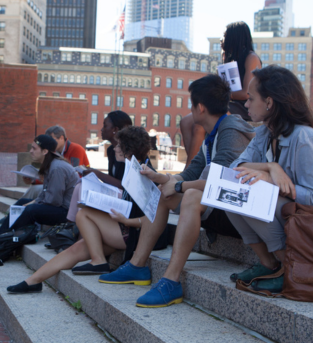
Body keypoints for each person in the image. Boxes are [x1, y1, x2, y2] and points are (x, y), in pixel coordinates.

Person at [98, 74, 255, 308]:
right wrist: (161, 178)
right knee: (164, 191)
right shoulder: (214, 133)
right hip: (219, 206)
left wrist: (179, 185)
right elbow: (192, 173)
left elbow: (220, 182)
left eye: (191, 105)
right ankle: (137, 265)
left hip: (240, 214)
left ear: (200, 107)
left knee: (189, 194)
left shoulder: (230, 131)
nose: (189, 112)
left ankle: (171, 281)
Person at [6, 126, 152, 293]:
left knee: (84, 213)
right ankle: (33, 281)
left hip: (132, 232)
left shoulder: (144, 173)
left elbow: (152, 219)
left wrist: (125, 220)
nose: (115, 148)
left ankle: (98, 262)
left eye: (119, 145)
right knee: (76, 248)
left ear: (128, 149)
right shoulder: (132, 169)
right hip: (122, 228)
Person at [225, 66, 313, 293]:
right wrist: (269, 167)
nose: (246, 105)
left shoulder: (303, 137)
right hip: (285, 217)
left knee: (255, 191)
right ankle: (269, 263)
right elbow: (236, 168)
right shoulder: (265, 132)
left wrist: (273, 184)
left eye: (251, 99)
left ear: (269, 102)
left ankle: (289, 268)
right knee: (228, 188)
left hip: (304, 223)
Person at [181, 21, 262, 166]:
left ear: (234, 37)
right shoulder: (230, 58)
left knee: (200, 125)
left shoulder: (251, 58)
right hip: (228, 103)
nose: (221, 40)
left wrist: (224, 94)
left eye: (224, 36)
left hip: (244, 107)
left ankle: (190, 171)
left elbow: (245, 93)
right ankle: (196, 165)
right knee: (186, 122)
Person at [0, 134, 79, 236]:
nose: (31, 151)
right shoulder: (51, 164)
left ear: (45, 151)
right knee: (22, 202)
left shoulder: (57, 168)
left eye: (34, 148)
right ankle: (0, 237)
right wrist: (34, 202)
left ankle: (5, 239)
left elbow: (54, 201)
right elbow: (45, 193)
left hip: (67, 213)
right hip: (60, 208)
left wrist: (34, 203)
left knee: (31, 210)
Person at [65, 111, 133, 223]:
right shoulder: (111, 150)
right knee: (80, 185)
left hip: (126, 198)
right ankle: (72, 226)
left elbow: (127, 186)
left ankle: (80, 230)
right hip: (115, 192)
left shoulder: (129, 152)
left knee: (83, 190)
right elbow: (111, 179)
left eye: (105, 125)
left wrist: (99, 174)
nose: (101, 129)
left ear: (115, 129)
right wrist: (93, 176)